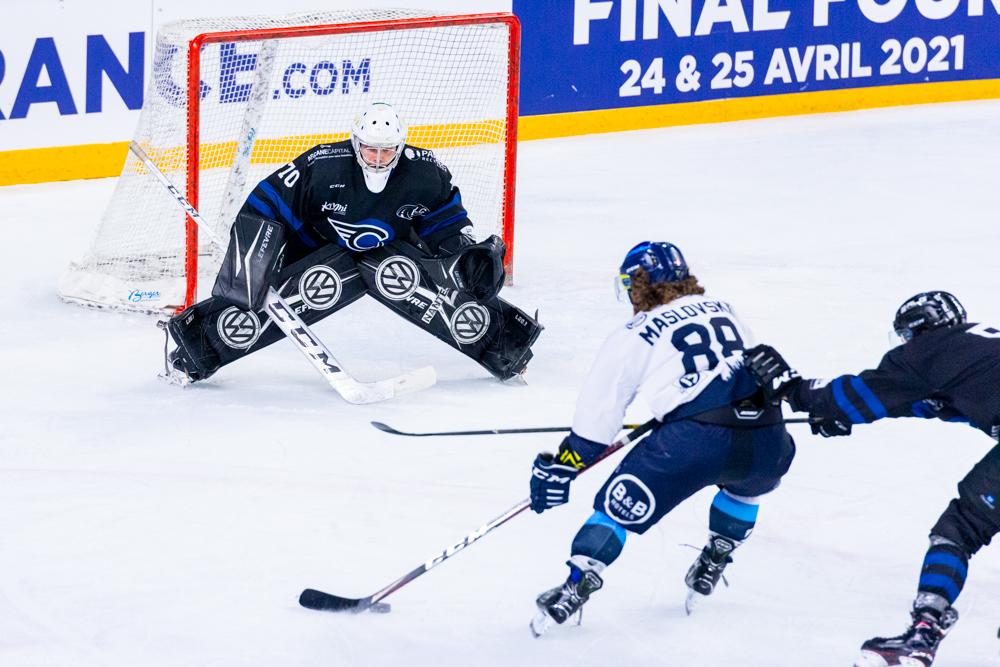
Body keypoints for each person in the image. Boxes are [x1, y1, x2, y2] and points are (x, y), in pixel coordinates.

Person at [527, 241, 796, 637]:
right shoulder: (726, 309)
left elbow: (598, 418)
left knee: (617, 507)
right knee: (746, 484)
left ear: (637, 284)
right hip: (769, 438)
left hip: (693, 443)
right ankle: (717, 554)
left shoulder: (634, 332)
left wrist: (567, 463)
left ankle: (577, 583)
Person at [164, 101, 541, 383]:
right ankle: (197, 344)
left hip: (388, 251)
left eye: (386, 150)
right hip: (313, 246)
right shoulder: (323, 165)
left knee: (410, 277)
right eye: (369, 149)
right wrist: (255, 256)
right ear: (355, 142)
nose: (377, 159)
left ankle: (505, 341)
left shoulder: (425, 174)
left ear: (400, 147)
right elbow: (267, 202)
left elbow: (444, 220)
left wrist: (460, 249)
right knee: (266, 295)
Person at [744, 291, 1000, 667]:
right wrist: (842, 413)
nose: (905, 344)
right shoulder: (975, 348)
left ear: (921, 328)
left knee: (960, 529)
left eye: (906, 336)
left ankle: (922, 635)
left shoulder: (928, 349)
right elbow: (924, 402)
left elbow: (862, 394)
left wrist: (794, 390)